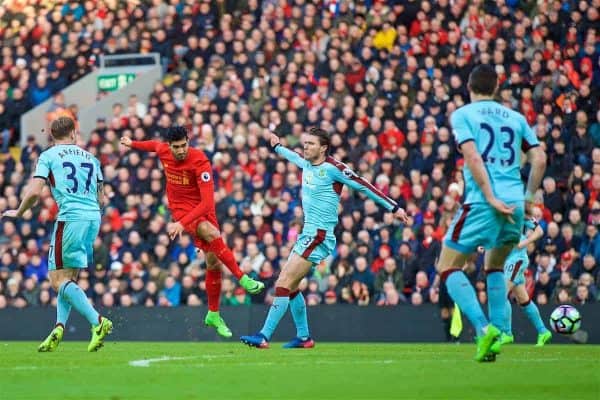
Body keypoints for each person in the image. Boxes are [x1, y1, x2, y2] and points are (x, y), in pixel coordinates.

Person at [240, 127, 408, 348]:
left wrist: (393, 207)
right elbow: (292, 155)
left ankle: (264, 336)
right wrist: (277, 146)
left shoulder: (334, 169)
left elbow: (364, 186)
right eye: (305, 143)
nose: (305, 146)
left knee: (283, 282)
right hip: (307, 234)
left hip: (319, 235)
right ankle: (303, 337)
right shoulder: (306, 163)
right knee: (291, 287)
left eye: (310, 144)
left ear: (323, 148)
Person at [435, 64, 547, 361]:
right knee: (495, 267)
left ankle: (485, 330)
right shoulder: (517, 118)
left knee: (447, 266)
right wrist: (528, 197)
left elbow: (472, 156)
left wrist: (488, 195)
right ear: (496, 87)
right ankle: (496, 337)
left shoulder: (463, 115)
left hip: (482, 202)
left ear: (469, 87)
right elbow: (539, 160)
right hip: (515, 205)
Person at [120, 126, 264, 337]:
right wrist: (132, 143)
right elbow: (153, 146)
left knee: (213, 261)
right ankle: (242, 277)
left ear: (188, 141)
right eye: (176, 147)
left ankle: (213, 314)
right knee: (211, 234)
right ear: (170, 146)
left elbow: (207, 203)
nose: (180, 150)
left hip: (203, 210)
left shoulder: (200, 161)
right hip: (181, 210)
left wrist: (181, 224)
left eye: (183, 145)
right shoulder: (164, 151)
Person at [2, 116, 113, 352]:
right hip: (93, 217)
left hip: (71, 217)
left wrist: (20, 211)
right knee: (68, 277)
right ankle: (59, 326)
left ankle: (98, 322)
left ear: (52, 136)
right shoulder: (92, 158)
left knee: (56, 280)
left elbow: (34, 192)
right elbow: (101, 196)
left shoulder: (49, 156)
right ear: (73, 133)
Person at [491, 217, 552, 352]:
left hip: (516, 259)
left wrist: (524, 242)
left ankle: (506, 333)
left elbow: (539, 231)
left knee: (501, 294)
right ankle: (543, 331)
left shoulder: (521, 213)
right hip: (506, 260)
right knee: (523, 300)